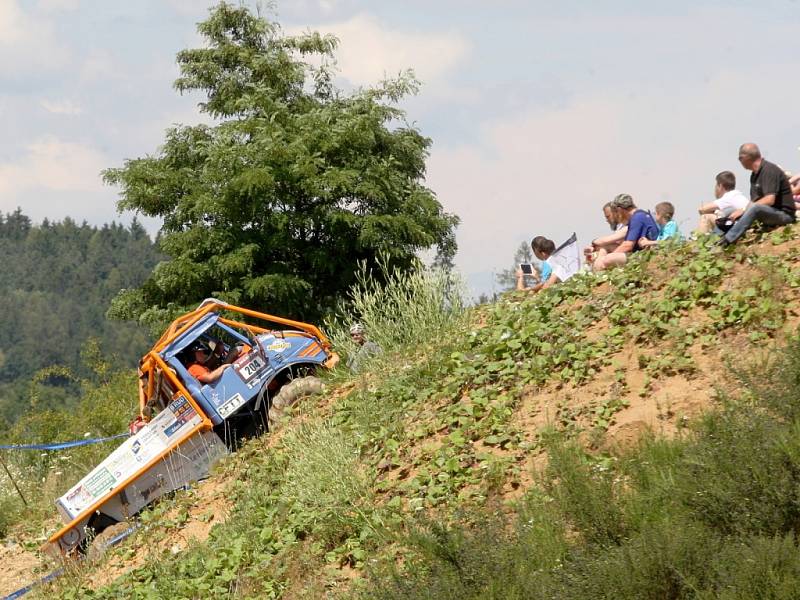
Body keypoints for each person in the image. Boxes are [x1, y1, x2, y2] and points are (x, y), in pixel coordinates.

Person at [719, 143, 796, 246]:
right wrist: (740, 212)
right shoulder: (754, 176)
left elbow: (769, 200)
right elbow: (754, 201)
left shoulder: (769, 170)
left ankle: (727, 240)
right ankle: (717, 236)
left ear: (745, 157)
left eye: (740, 158)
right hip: (769, 212)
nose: (740, 161)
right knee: (730, 211)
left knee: (755, 208)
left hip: (784, 215)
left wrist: (744, 211)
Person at [592, 194, 659, 271]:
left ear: (620, 210)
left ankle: (598, 274)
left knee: (607, 259)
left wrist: (611, 256)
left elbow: (628, 246)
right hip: (641, 252)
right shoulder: (639, 215)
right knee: (607, 247)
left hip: (645, 256)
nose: (616, 215)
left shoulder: (637, 218)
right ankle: (597, 270)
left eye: (616, 212)